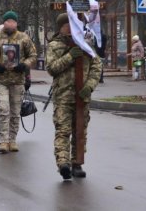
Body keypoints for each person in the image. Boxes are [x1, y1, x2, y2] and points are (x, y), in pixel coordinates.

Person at [46, 13, 102, 180]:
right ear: (61, 27)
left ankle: (77, 163)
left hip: (81, 97)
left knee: (80, 131)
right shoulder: (55, 46)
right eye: (68, 25)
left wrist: (89, 86)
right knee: (63, 131)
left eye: (74, 25)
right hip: (63, 96)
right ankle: (63, 164)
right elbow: (52, 68)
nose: (71, 28)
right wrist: (70, 56)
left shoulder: (85, 45)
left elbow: (96, 67)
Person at [0, 11, 37, 154]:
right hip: (0, 79)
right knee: (3, 109)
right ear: (4, 22)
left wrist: (24, 65)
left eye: (13, 21)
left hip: (17, 80)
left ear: (16, 23)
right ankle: (3, 140)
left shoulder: (23, 37)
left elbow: (33, 55)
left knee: (15, 112)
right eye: (8, 21)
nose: (11, 24)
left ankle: (12, 139)